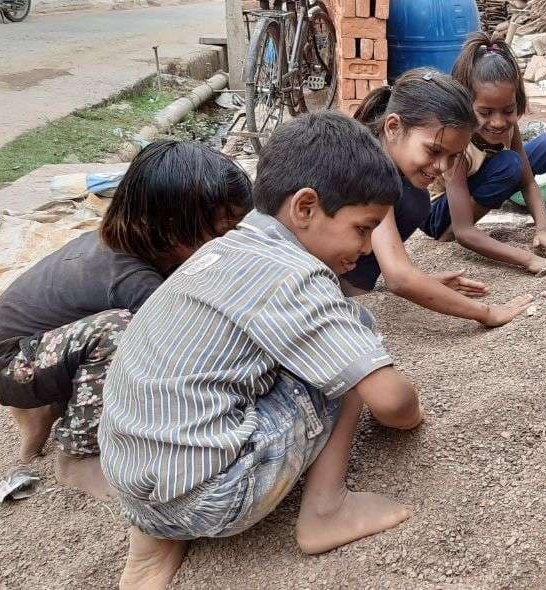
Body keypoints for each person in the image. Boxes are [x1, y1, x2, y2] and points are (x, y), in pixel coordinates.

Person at [99, 112, 421, 590]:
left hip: (132, 486)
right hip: (218, 495)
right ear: (306, 207)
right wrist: (413, 418)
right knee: (353, 335)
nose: (369, 246)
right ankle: (327, 509)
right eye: (362, 227)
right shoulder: (296, 274)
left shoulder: (217, 252)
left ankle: (154, 539)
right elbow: (392, 403)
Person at [0, 140, 250, 499]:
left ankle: (45, 411)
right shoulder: (129, 280)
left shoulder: (147, 246)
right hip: (12, 365)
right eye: (222, 231)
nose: (229, 241)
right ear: (170, 225)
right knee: (123, 331)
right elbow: (193, 343)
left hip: (41, 350)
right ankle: (78, 458)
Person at [344, 67, 531, 326]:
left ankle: (355, 291)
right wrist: (485, 312)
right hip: (302, 284)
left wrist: (423, 283)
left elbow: (398, 274)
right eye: (434, 151)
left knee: (416, 200)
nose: (443, 166)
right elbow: (399, 278)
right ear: (394, 127)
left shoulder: (383, 159)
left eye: (453, 156)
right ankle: (348, 293)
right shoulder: (369, 168)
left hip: (341, 281)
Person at [421, 33, 546, 273]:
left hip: (488, 174)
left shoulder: (509, 127)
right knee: (509, 164)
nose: (498, 122)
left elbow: (528, 182)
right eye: (485, 113)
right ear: (465, 107)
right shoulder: (457, 147)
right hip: (441, 214)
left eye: (508, 111)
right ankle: (449, 234)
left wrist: (543, 229)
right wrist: (527, 259)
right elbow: (466, 233)